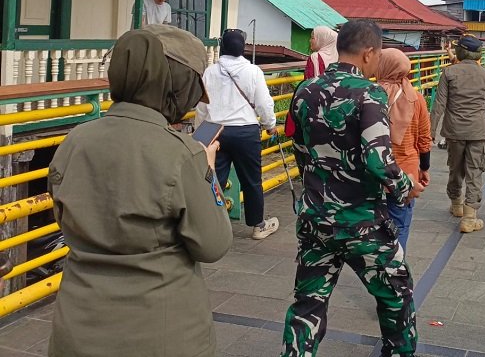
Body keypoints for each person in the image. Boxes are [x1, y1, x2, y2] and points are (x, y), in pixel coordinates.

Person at [48, 25, 233, 357]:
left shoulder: (74, 141)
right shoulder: (183, 154)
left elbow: (66, 218)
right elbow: (213, 244)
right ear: (176, 86)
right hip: (161, 334)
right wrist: (207, 172)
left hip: (76, 329)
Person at [283, 20, 425, 357]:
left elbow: (300, 150)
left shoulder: (306, 90)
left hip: (316, 218)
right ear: (369, 53)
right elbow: (378, 160)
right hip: (362, 222)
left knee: (308, 303)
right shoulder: (369, 93)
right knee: (396, 294)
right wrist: (406, 187)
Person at [195, 28, 279, 240]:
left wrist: (200, 134)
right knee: (251, 180)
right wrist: (270, 124)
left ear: (223, 46)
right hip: (245, 131)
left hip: (213, 129)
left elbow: (202, 107)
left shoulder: (210, 72)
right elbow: (263, 103)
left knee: (212, 180)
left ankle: (210, 227)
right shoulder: (253, 71)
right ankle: (258, 225)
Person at [430, 34, 485, 233]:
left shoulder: (449, 73)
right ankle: (469, 217)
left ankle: (456, 204)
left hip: (454, 131)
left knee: (455, 168)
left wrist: (431, 131)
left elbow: (439, 105)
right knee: (475, 171)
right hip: (478, 131)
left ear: (459, 51)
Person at [376, 48, 432, 251]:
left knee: (370, 224)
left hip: (374, 169)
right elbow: (424, 139)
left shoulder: (370, 95)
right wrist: (424, 168)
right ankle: (395, 264)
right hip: (406, 171)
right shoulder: (415, 98)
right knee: (399, 223)